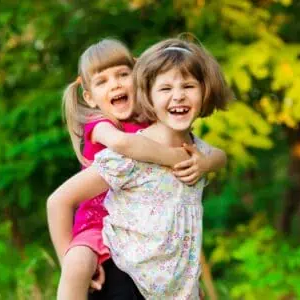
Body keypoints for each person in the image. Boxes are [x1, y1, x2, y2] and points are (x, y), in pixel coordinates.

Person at [49, 38, 228, 300]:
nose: (177, 95)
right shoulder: (127, 150)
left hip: (172, 287)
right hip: (122, 271)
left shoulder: (195, 152)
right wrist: (171, 157)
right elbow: (59, 201)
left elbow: (221, 156)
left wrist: (205, 162)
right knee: (77, 264)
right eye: (165, 88)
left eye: (189, 86)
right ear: (149, 93)